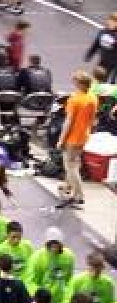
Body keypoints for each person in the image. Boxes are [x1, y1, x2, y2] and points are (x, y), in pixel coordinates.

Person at [57, 69, 98, 210]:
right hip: (84, 136)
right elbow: (93, 119)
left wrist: (61, 140)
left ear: (80, 83)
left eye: (75, 80)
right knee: (75, 163)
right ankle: (67, 188)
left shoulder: (74, 99)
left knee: (71, 167)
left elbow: (68, 122)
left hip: (72, 138)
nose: (73, 82)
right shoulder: (92, 97)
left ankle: (78, 196)